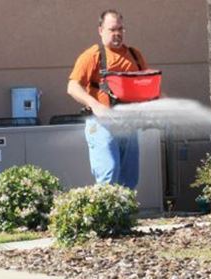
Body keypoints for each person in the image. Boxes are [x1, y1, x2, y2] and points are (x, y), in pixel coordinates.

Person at [67, 9, 148, 189]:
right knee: (109, 173)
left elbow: (147, 86)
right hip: (101, 124)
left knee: (130, 178)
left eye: (120, 29)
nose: (117, 33)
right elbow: (72, 87)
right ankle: (106, 217)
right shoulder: (92, 55)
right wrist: (95, 105)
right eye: (112, 29)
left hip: (129, 124)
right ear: (100, 30)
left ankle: (125, 216)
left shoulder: (135, 55)